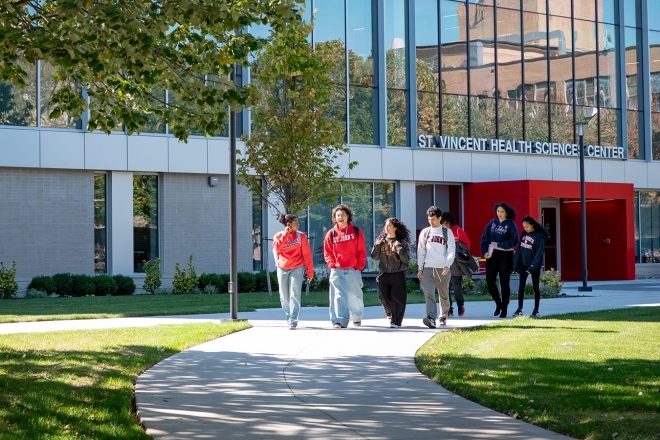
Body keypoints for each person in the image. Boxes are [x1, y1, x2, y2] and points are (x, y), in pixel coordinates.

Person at [324, 204, 367, 329]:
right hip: (337, 269)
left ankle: (356, 316)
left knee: (355, 296)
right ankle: (339, 320)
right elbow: (328, 252)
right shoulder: (331, 234)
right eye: (338, 215)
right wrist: (332, 265)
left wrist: (359, 266)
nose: (340, 217)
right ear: (334, 218)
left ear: (348, 216)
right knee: (338, 295)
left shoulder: (356, 232)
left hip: (353, 269)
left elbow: (362, 251)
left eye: (343, 215)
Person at [272, 213, 314, 330]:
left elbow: (307, 255)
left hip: (297, 267)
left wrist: (310, 272)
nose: (298, 224)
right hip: (282, 268)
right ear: (288, 224)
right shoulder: (278, 236)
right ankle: (288, 316)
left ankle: (293, 320)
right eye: (296, 222)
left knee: (295, 294)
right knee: (284, 296)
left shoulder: (301, 236)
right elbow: (277, 247)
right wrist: (285, 234)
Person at [417, 206, 456, 328]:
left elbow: (451, 250)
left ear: (439, 218)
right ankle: (431, 318)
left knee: (443, 294)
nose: (431, 222)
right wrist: (420, 268)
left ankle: (443, 316)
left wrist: (447, 264)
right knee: (428, 293)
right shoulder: (425, 232)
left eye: (433, 219)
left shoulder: (447, 232)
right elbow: (421, 250)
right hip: (428, 267)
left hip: (442, 267)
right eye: (429, 219)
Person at [480, 202, 519, 318]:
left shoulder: (510, 225)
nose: (500, 214)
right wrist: (485, 252)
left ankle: (505, 308)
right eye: (498, 211)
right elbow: (484, 239)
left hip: (505, 256)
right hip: (492, 256)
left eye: (502, 212)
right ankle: (499, 303)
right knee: (490, 282)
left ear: (506, 212)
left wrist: (500, 244)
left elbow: (514, 240)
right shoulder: (492, 223)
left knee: (504, 283)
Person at [371, 218, 411, 328]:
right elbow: (374, 257)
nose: (386, 228)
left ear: (395, 228)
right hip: (384, 272)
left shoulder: (402, 242)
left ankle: (396, 321)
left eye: (389, 225)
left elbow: (406, 259)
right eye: (386, 225)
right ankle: (390, 313)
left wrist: (399, 247)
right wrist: (378, 245)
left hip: (398, 273)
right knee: (383, 296)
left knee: (398, 298)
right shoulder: (381, 240)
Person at [512, 216, 550, 318]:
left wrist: (532, 267)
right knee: (521, 286)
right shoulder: (524, 235)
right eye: (524, 227)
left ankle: (535, 310)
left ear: (532, 225)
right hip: (524, 265)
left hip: (534, 266)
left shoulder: (539, 237)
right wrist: (515, 266)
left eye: (527, 226)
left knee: (535, 287)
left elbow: (539, 254)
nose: (525, 229)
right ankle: (519, 309)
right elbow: (519, 250)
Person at [441, 212, 477, 318]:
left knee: (456, 286)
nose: (445, 225)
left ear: (451, 222)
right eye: (443, 223)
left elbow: (467, 246)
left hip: (456, 264)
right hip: (444, 263)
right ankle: (448, 308)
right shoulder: (441, 232)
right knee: (445, 287)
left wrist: (457, 249)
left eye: (447, 223)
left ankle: (460, 305)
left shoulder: (458, 231)